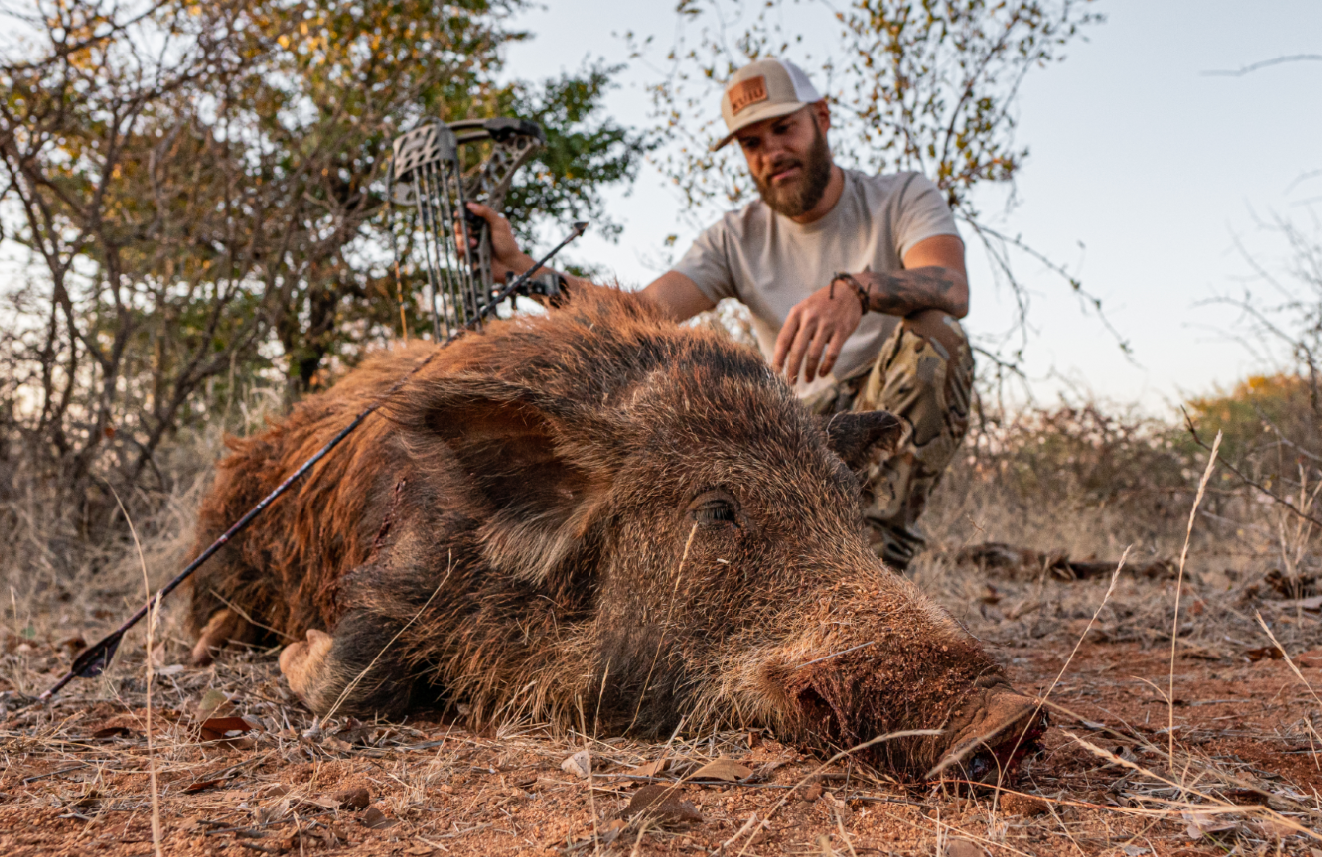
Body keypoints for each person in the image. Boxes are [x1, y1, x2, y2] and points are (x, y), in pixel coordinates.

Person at [465, 58, 973, 572]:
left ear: (821, 117)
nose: (772, 151)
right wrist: (523, 269)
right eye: (751, 143)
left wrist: (858, 289)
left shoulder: (904, 195)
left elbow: (952, 285)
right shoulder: (734, 235)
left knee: (939, 337)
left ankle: (878, 558)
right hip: (799, 431)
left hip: (887, 410)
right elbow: (637, 314)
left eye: (783, 128)